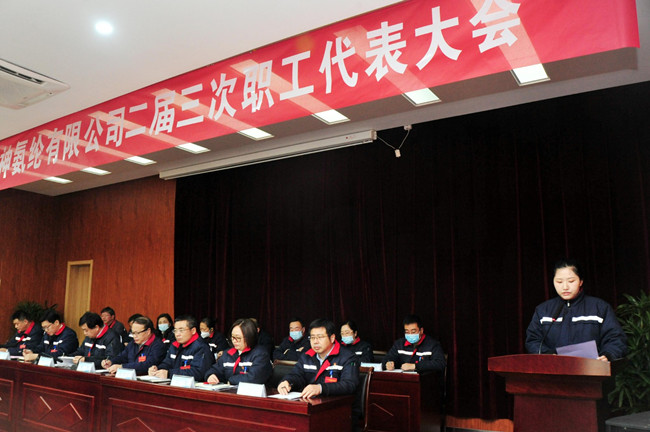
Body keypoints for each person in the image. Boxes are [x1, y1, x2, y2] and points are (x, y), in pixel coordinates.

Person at [525, 258, 628, 361]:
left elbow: (616, 338)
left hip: (592, 368)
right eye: (559, 282)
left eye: (571, 281)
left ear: (580, 281)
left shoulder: (599, 307)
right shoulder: (543, 310)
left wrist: (607, 355)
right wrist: (548, 355)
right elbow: (533, 340)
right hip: (555, 368)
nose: (565, 287)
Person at [277, 318, 359, 398]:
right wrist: (287, 382)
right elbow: (296, 375)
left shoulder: (348, 357)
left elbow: (349, 384)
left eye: (320, 337)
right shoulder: (306, 356)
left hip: (336, 404)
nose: (315, 341)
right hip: (311, 403)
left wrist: (321, 388)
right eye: (312, 337)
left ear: (332, 338)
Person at [204, 318, 272, 385]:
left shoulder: (260, 354)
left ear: (249, 337)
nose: (234, 341)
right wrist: (210, 375)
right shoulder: (228, 354)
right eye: (232, 337)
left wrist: (231, 381)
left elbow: (254, 377)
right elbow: (214, 369)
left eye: (238, 338)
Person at [148, 314, 214, 380]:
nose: (177, 334)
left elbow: (198, 372)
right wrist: (157, 369)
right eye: (175, 330)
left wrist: (169, 374)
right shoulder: (174, 345)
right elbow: (167, 363)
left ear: (193, 331)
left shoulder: (201, 347)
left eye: (181, 330)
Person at [102, 316, 166, 375]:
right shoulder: (133, 343)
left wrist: (122, 367)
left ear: (148, 331)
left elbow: (147, 365)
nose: (134, 336)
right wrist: (111, 362)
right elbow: (122, 357)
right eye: (133, 333)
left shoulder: (158, 345)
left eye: (137, 333)